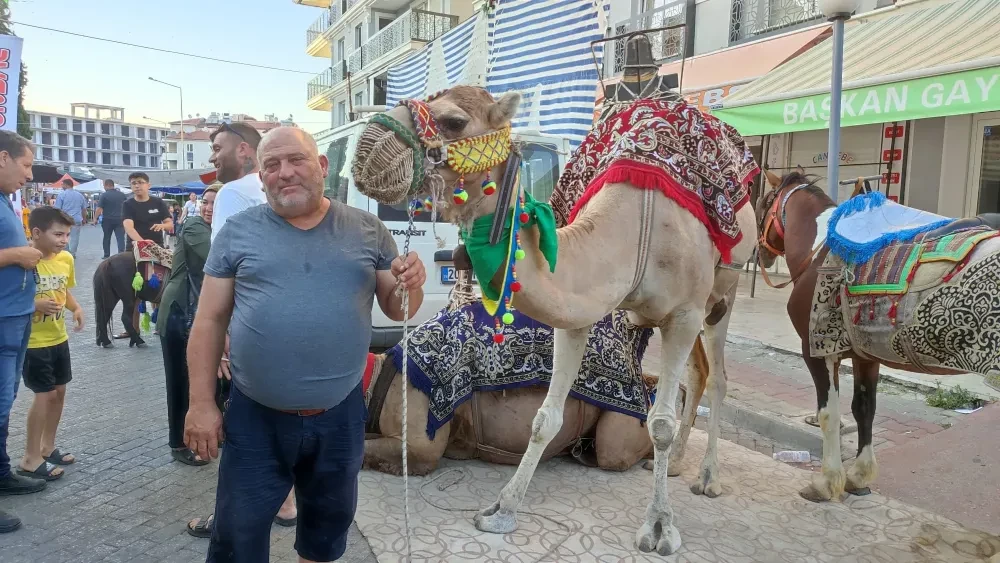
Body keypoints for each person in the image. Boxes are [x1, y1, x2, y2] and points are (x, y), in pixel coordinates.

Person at [184, 127, 426, 563]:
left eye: (296, 160)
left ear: (322, 166)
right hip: (255, 418)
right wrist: (201, 403)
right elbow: (209, 319)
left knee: (325, 535)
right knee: (237, 538)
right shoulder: (238, 232)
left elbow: (398, 307)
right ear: (261, 177)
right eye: (271, 165)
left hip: (340, 417)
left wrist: (412, 283)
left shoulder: (367, 230)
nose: (284, 173)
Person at [184, 120, 282, 539]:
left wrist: (220, 337)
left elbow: (220, 274)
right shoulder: (279, 189)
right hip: (285, 327)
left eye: (217, 147)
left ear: (244, 151)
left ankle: (228, 520)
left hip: (247, 328)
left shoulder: (233, 192)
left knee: (241, 432)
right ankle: (290, 504)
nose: (212, 157)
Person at [158, 183, 224, 467]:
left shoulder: (222, 229)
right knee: (181, 382)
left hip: (202, 314)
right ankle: (179, 443)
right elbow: (219, 260)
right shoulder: (197, 226)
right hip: (180, 311)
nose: (209, 208)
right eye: (206, 202)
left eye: (216, 204)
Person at [17, 207, 84, 482]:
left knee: (58, 393)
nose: (63, 240)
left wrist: (76, 308)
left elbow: (63, 290)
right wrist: (35, 304)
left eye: (67, 234)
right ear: (36, 233)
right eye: (58, 234)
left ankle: (47, 446)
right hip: (34, 341)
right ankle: (30, 457)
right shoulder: (24, 261)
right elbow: (10, 297)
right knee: (43, 395)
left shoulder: (66, 259)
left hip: (59, 337)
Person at [0, 130, 45, 534]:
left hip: (12, 320)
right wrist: (14, 255)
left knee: (3, 404)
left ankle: (1, 473)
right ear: (2, 158)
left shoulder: (4, 201)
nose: (29, 175)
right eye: (26, 164)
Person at [121, 172, 172, 251]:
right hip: (135, 248)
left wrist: (162, 226)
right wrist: (144, 243)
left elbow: (170, 224)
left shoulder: (158, 202)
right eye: (133, 183)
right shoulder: (127, 204)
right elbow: (129, 228)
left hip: (157, 246)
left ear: (148, 185)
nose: (137, 186)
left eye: (141, 182)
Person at [53, 179, 86, 258]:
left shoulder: (62, 195)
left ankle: (67, 252)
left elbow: (57, 209)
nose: (62, 186)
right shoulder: (80, 195)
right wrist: (84, 219)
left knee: (64, 236)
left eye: (62, 184)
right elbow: (84, 209)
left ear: (66, 185)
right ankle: (72, 253)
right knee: (75, 237)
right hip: (77, 219)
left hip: (65, 220)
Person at [94, 179, 127, 258]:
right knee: (120, 238)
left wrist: (95, 218)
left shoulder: (104, 195)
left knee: (106, 237)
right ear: (113, 185)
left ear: (106, 185)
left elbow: (99, 208)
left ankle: (106, 255)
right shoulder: (122, 195)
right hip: (120, 219)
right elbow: (127, 207)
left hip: (107, 220)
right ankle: (121, 255)